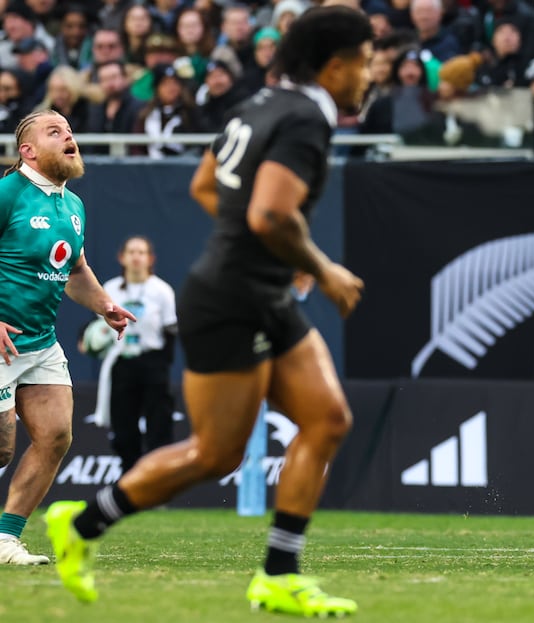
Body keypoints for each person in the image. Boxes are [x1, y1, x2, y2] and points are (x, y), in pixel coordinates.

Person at [46, 7, 370, 616]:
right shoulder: (304, 117)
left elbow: (205, 186)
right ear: (335, 65)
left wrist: (270, 247)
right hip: (231, 301)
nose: (371, 73)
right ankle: (82, 524)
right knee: (215, 453)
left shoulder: (263, 102)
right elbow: (271, 214)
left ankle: (279, 572)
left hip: (259, 289)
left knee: (327, 419)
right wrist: (322, 268)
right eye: (366, 60)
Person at [0, 110, 135, 565]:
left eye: (70, 131)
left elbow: (74, 269)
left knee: (56, 435)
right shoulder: (8, 193)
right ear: (28, 151)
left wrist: (104, 306)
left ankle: (4, 541)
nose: (69, 137)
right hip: (1, 340)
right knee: (1, 446)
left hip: (39, 343)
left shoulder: (71, 205)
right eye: (54, 132)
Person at [92, 236, 177, 472]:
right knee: (123, 429)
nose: (136, 257)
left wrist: (161, 366)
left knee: (159, 425)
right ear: (122, 257)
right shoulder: (109, 289)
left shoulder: (162, 291)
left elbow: (171, 331)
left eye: (141, 252)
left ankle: (159, 483)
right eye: (131, 251)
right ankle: (129, 483)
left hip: (153, 363)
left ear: (150, 259)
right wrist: (87, 340)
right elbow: (97, 327)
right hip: (121, 364)